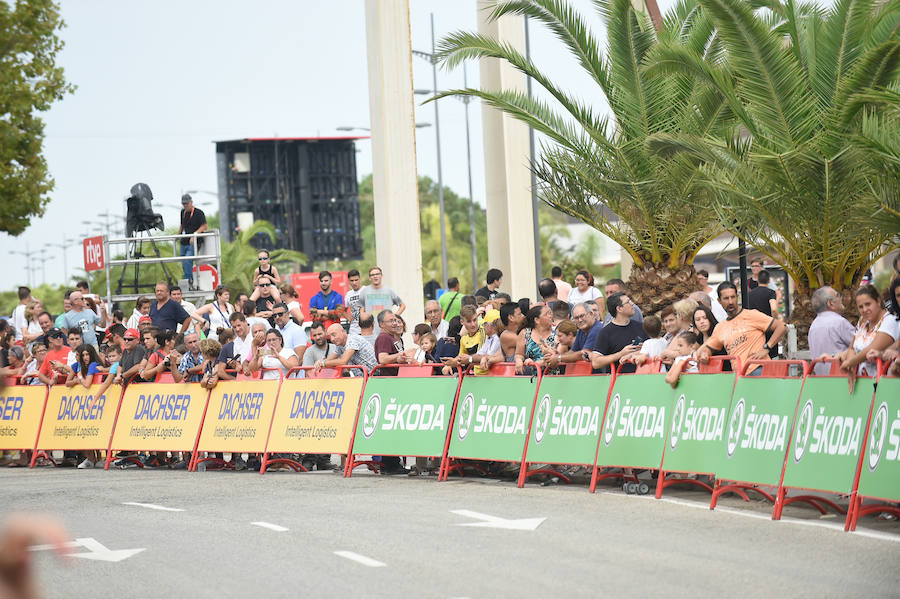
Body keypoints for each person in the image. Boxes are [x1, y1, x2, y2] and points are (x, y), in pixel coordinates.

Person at [697, 282, 786, 372]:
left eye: (733, 297)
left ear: (737, 297)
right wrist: (705, 353)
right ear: (719, 301)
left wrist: (767, 348)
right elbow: (707, 348)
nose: (730, 302)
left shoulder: (752, 315)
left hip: (759, 369)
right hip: (739, 375)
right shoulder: (720, 327)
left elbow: (781, 327)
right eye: (726, 298)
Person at [837, 285, 899, 378]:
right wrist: (851, 368)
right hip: (861, 381)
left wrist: (850, 362)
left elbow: (873, 348)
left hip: (884, 381)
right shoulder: (863, 323)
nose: (865, 310)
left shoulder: (890, 321)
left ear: (878, 301)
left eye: (868, 304)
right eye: (860, 307)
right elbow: (852, 348)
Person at [590, 293, 645, 374]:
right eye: (628, 302)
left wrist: (643, 348)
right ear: (619, 309)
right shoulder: (605, 332)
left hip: (642, 378)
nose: (632, 304)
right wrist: (621, 354)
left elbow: (652, 350)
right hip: (617, 382)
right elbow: (596, 362)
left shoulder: (641, 327)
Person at [808, 286, 856, 375]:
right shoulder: (839, 322)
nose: (841, 298)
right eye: (837, 295)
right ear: (830, 303)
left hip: (822, 380)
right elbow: (860, 345)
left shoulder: (813, 326)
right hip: (842, 378)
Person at [359, 266, 405, 336]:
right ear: (369, 277)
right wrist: (363, 321)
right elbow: (361, 307)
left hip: (387, 329)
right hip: (371, 328)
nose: (375, 276)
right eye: (372, 275)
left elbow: (403, 305)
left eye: (377, 274)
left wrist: (394, 318)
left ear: (381, 276)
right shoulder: (365, 291)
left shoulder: (389, 291)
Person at [515, 304, 559, 375]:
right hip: (532, 378)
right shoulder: (525, 333)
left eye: (550, 313)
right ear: (537, 320)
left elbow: (561, 354)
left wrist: (538, 363)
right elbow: (519, 354)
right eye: (546, 314)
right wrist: (519, 360)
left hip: (554, 376)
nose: (550, 316)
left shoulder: (557, 332)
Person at [443, 305, 487, 374]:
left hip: (488, 375)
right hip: (474, 377)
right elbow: (461, 357)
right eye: (469, 321)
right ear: (462, 322)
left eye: (475, 320)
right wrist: (450, 364)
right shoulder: (463, 339)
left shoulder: (485, 332)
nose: (473, 324)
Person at [178, 193, 208, 284]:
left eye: (187, 203)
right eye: (184, 204)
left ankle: (188, 281)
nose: (185, 206)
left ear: (191, 202)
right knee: (184, 261)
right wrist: (178, 235)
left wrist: (195, 235)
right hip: (185, 241)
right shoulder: (183, 212)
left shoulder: (199, 213)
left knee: (188, 260)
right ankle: (186, 279)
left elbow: (205, 226)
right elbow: (182, 225)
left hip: (194, 241)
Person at [344, 269, 364, 334]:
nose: (354, 283)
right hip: (354, 330)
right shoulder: (348, 294)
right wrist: (348, 317)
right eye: (352, 281)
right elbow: (342, 310)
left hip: (366, 329)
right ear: (349, 281)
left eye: (356, 280)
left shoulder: (366, 290)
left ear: (360, 279)